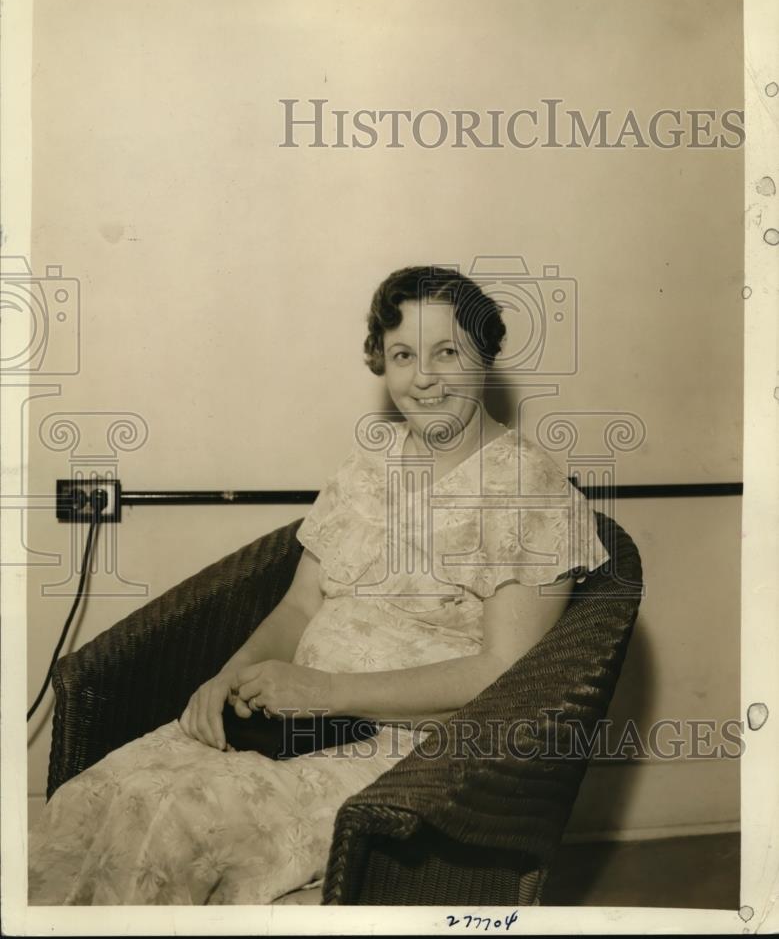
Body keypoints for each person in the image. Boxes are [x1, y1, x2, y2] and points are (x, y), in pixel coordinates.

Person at [28, 266, 610, 905]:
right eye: (403, 355)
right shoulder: (369, 463)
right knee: (97, 794)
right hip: (285, 721)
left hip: (410, 756)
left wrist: (325, 692)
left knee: (171, 821)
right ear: (380, 364)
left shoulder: (528, 489)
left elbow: (504, 675)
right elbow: (301, 603)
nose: (424, 377)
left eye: (448, 352)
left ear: (485, 355)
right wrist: (229, 677)